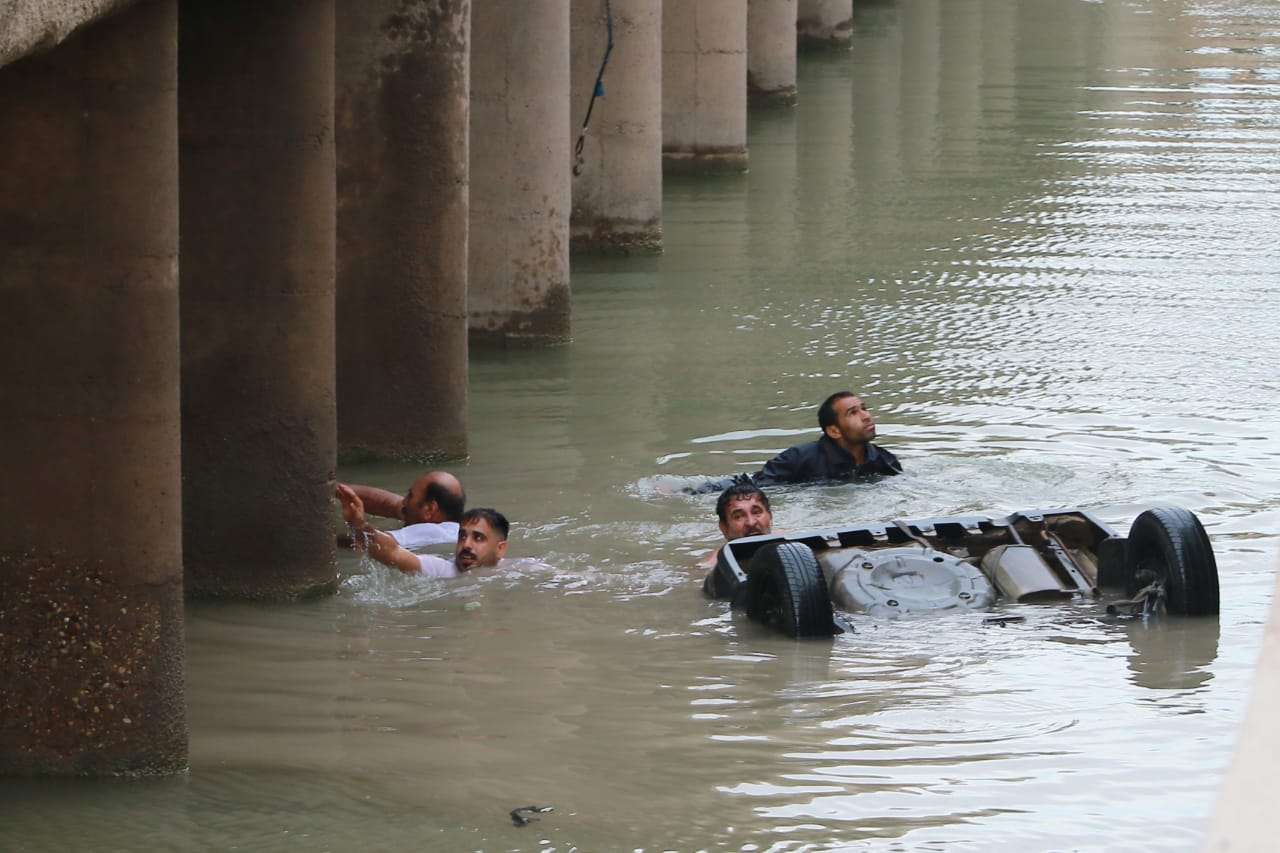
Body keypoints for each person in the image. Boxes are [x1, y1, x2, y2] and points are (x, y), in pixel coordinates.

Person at [336, 483, 508, 577]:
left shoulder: (521, 568)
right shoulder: (443, 570)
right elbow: (392, 553)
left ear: (500, 549)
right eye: (462, 537)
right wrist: (358, 524)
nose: (466, 545)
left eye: (478, 538)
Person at [338, 470, 465, 550]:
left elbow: (368, 541)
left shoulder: (431, 532)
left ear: (429, 510)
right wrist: (334, 489)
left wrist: (356, 522)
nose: (404, 501)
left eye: (410, 496)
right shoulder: (460, 528)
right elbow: (390, 504)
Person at [697, 481, 775, 569]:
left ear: (770, 515)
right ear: (724, 528)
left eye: (756, 512)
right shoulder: (712, 566)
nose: (751, 522)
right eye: (738, 517)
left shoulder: (786, 540)